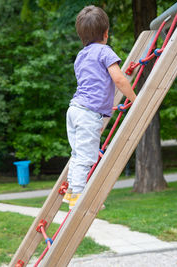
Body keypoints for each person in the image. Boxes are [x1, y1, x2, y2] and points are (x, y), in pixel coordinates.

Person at [63, 5, 137, 209]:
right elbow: (119, 80)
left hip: (74, 110)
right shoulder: (105, 51)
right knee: (86, 157)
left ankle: (71, 191)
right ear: (106, 33)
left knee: (77, 154)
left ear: (81, 36)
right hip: (88, 114)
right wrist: (134, 99)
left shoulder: (81, 56)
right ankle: (78, 197)